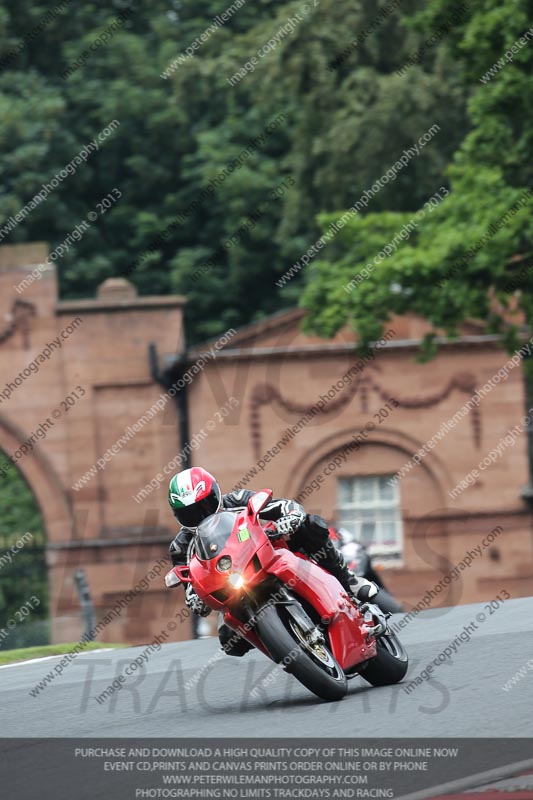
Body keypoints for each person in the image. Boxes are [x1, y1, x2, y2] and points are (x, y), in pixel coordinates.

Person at [168, 467, 378, 656]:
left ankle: (348, 580)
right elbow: (189, 583)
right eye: (191, 514)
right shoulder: (181, 546)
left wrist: (290, 517)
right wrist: (195, 599)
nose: (201, 516)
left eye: (204, 506)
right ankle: (283, 643)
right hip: (232, 584)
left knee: (311, 526)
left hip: (266, 555)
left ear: (216, 494)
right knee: (229, 641)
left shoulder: (237, 500)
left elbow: (280, 506)